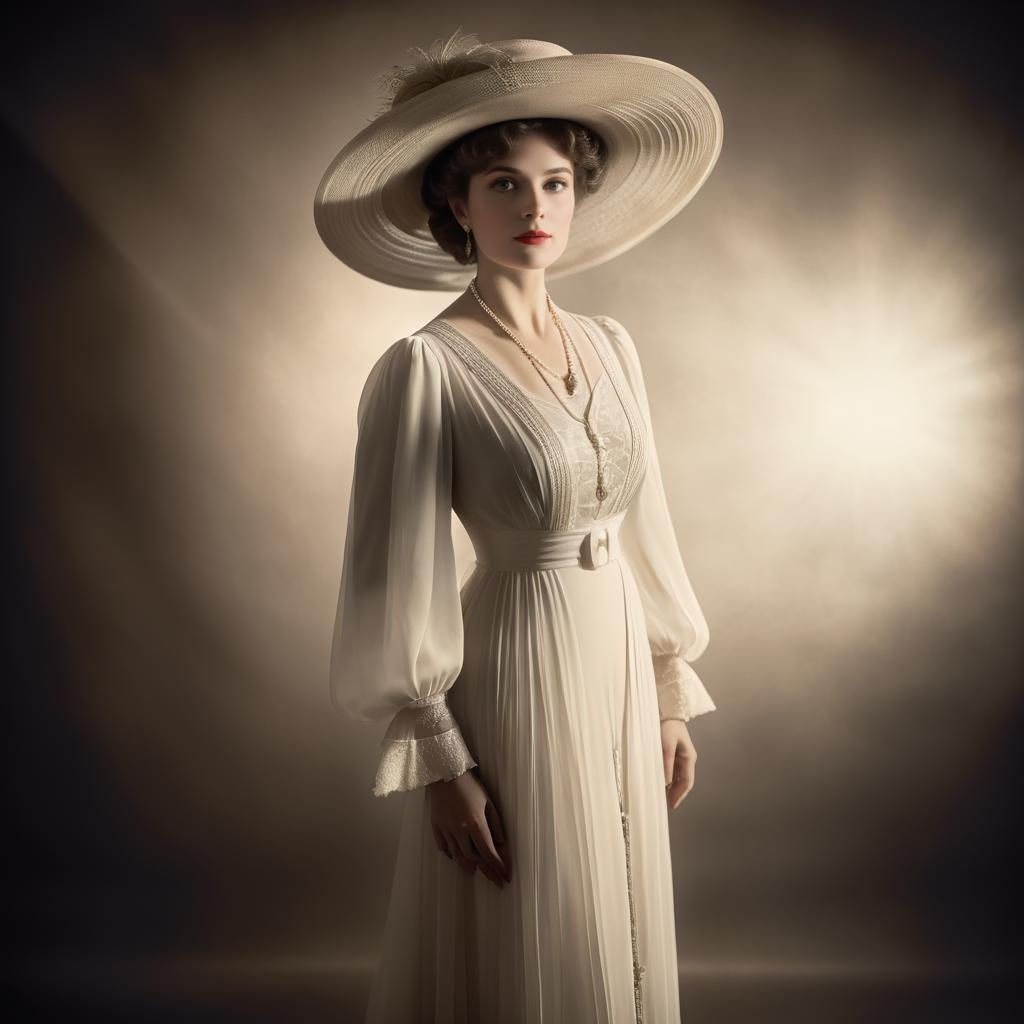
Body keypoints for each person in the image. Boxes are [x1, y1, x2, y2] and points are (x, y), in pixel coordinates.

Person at [317, 30, 723, 1024]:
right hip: (512, 663)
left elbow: (646, 524)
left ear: (577, 194)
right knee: (532, 908)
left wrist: (669, 682)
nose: (533, 208)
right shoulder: (424, 368)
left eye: (553, 183)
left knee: (613, 906)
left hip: (617, 650)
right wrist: (439, 758)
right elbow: (387, 573)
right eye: (502, 183)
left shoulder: (611, 345)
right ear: (455, 203)